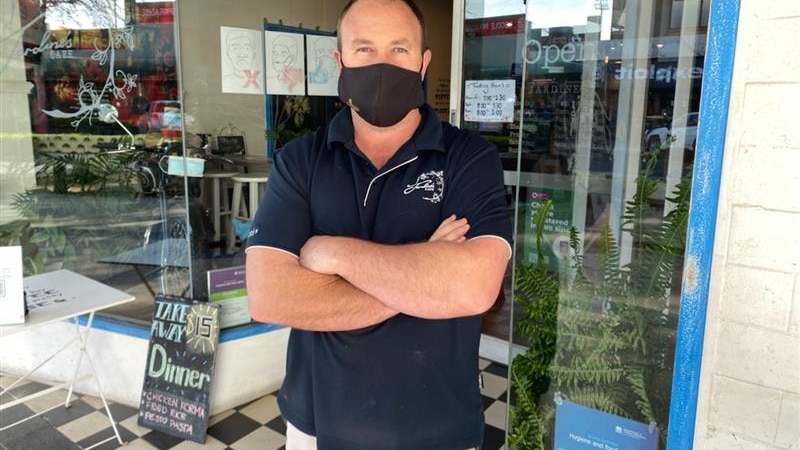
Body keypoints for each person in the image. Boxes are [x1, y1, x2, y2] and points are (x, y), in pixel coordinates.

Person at [245, 0, 512, 448]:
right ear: (340, 61)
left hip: (438, 426)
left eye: (400, 49)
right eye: (365, 49)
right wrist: (425, 276)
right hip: (316, 425)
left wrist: (332, 253)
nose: (382, 66)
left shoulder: (470, 159)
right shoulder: (300, 161)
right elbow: (270, 297)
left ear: (424, 62)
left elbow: (473, 289)